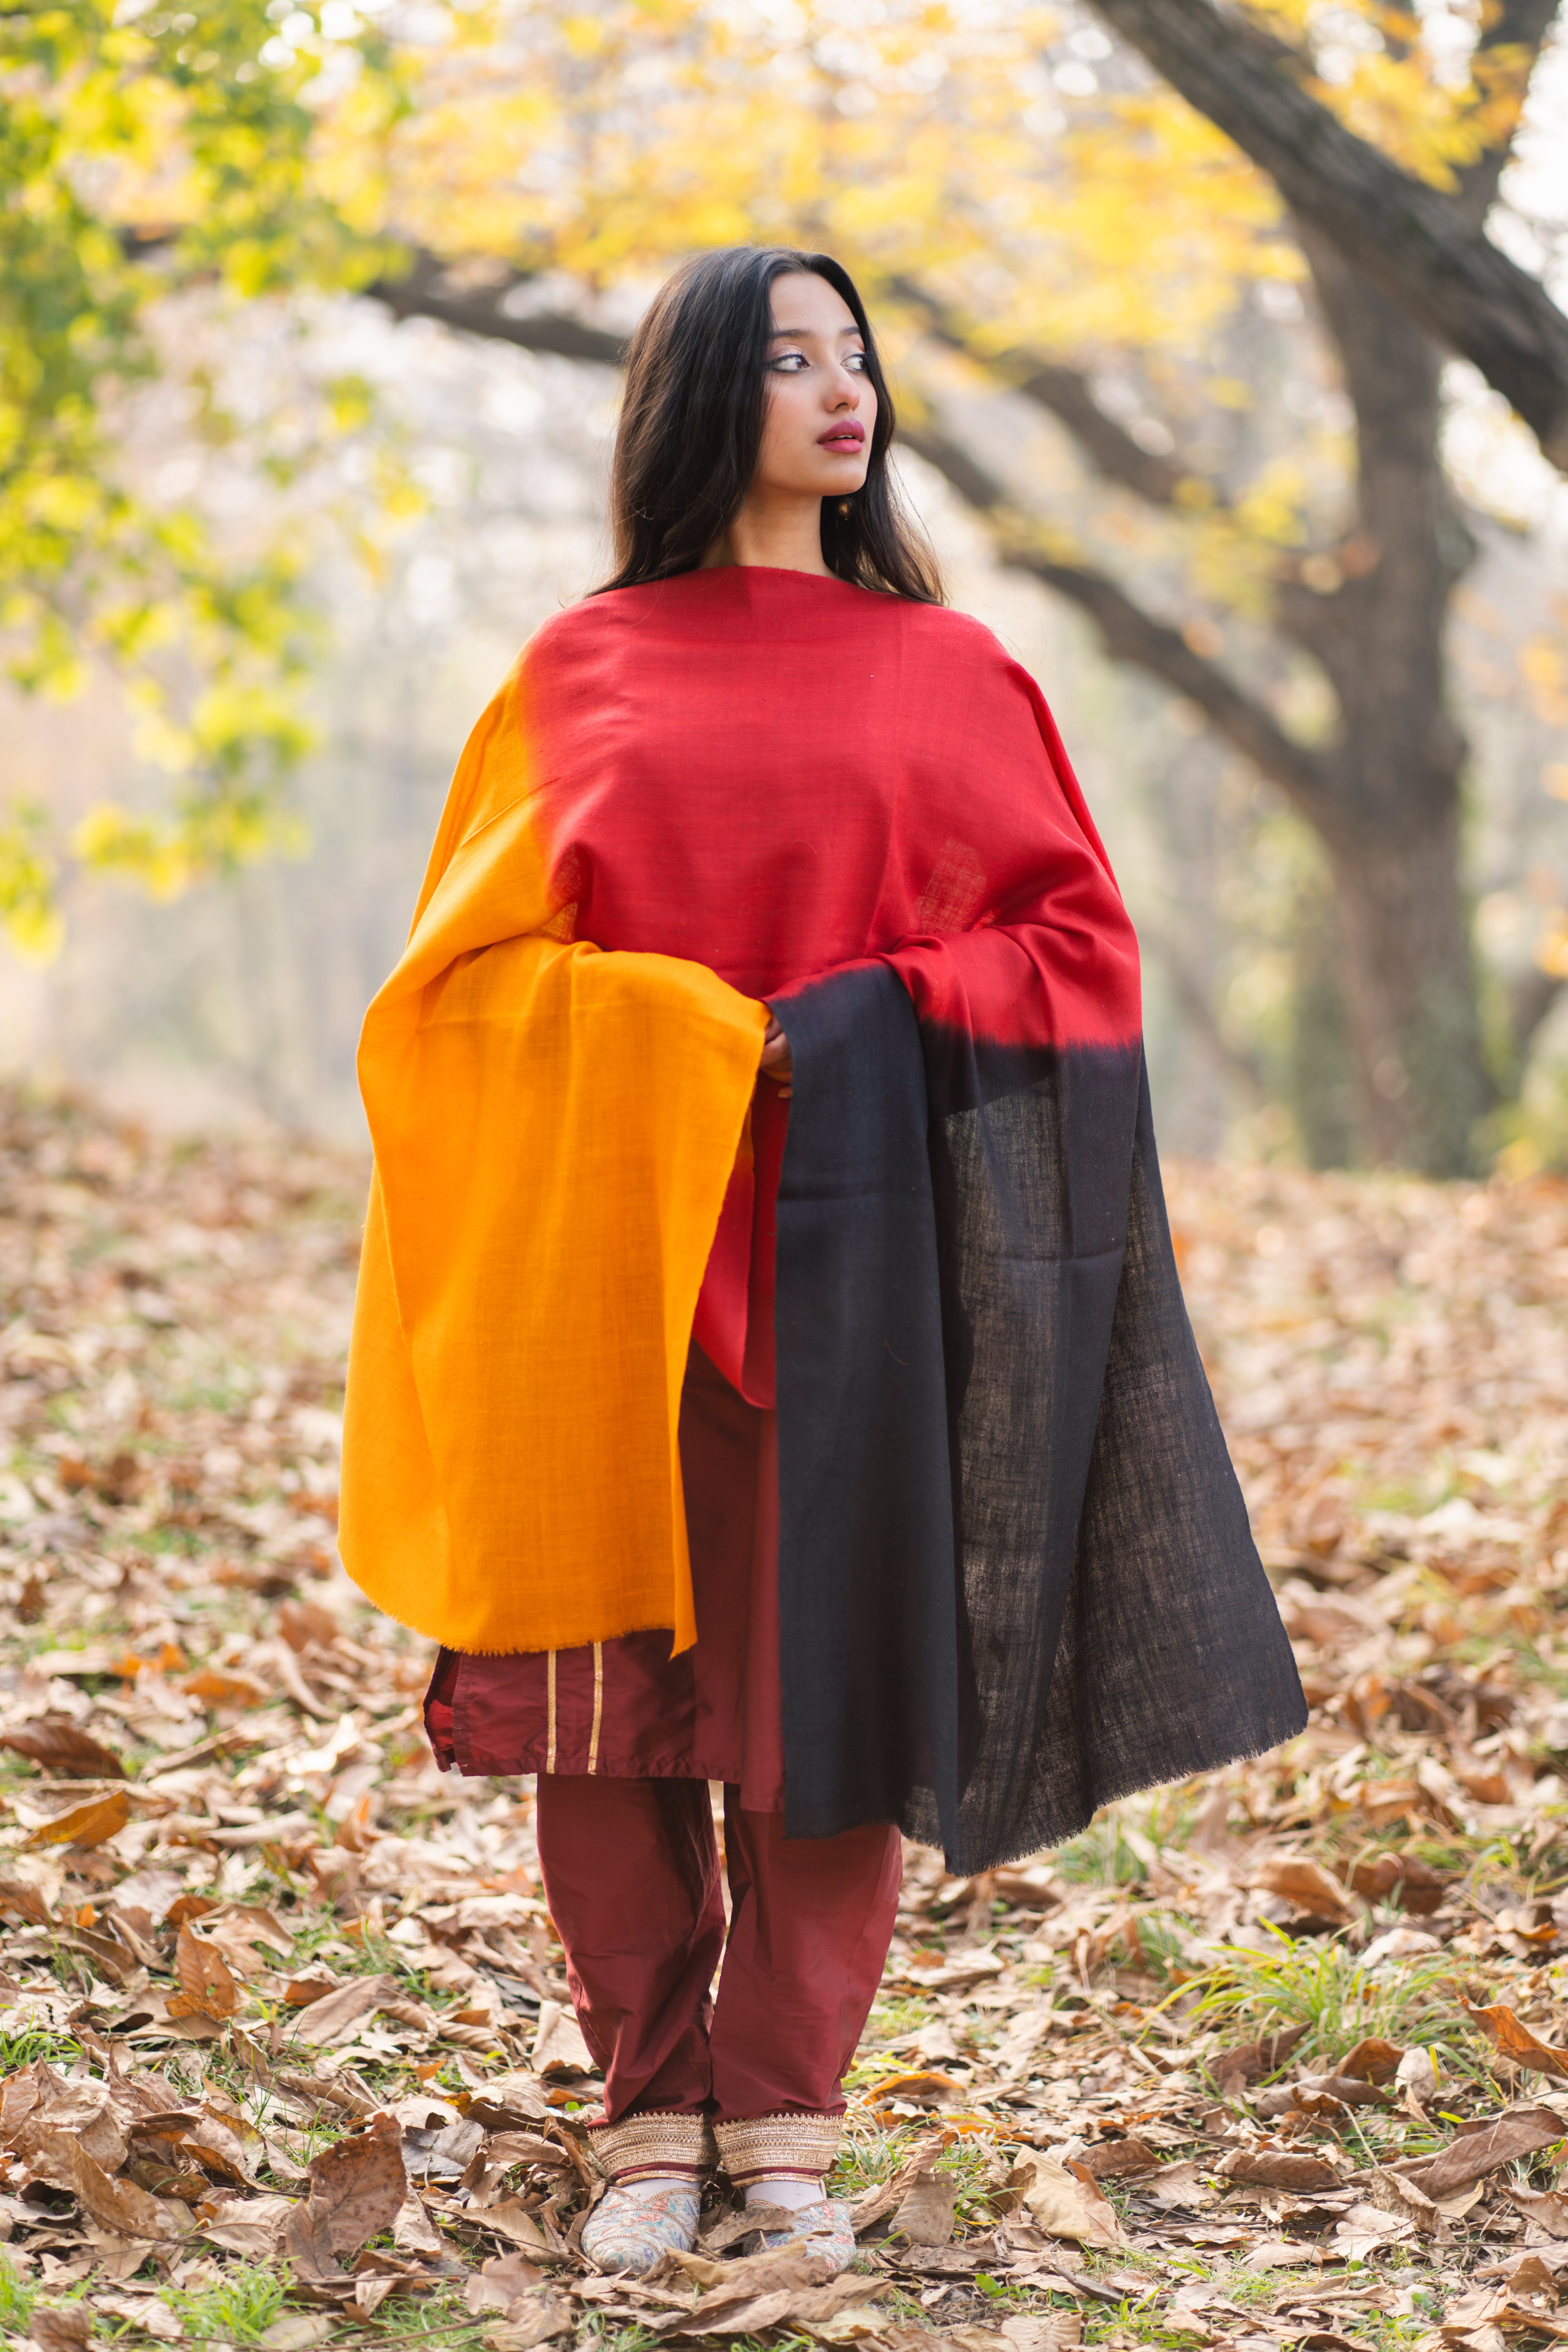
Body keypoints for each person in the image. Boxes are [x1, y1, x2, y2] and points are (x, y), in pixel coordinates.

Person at [340, 245, 1306, 2277]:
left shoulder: (954, 676)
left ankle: (782, 2105)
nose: (841, 392)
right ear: (701, 392)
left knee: (825, 1706)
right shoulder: (575, 671)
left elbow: (1077, 953)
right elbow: (462, 986)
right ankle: (643, 2111)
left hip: (869, 1266)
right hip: (608, 1267)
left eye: (857, 357)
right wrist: (685, 1038)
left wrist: (855, 1023)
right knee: (603, 1711)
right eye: (789, 358)